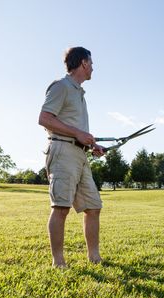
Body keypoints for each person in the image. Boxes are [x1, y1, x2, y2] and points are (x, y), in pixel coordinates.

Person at [38, 47, 104, 267]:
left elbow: (77, 130)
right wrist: (77, 133)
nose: (93, 67)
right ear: (84, 63)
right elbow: (45, 118)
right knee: (61, 207)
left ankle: (94, 258)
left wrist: (92, 145)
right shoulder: (61, 87)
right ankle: (59, 262)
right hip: (62, 152)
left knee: (93, 207)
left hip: (80, 155)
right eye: (91, 63)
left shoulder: (79, 93)